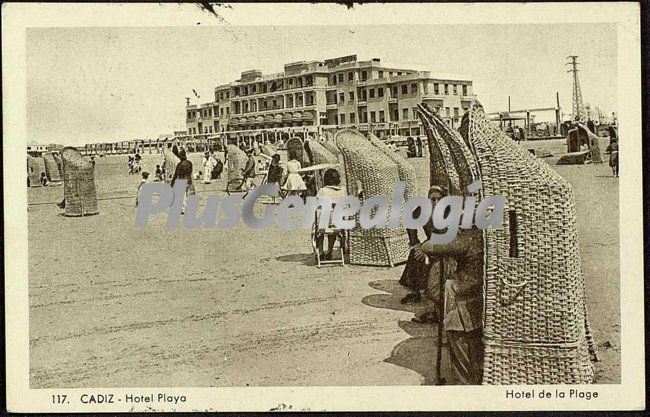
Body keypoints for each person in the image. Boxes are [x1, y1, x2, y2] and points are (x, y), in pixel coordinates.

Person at [417, 225, 484, 385]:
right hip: (480, 297)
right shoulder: (482, 236)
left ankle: (466, 385)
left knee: (460, 344)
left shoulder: (466, 239)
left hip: (464, 301)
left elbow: (428, 246)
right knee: (475, 347)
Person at [399, 185, 447, 309]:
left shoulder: (447, 212)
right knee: (416, 253)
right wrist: (415, 243)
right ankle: (415, 292)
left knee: (427, 257)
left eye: (439, 199)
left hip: (444, 244)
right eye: (433, 199)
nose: (436, 202)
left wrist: (427, 248)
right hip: (430, 242)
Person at [315, 169, 347, 261]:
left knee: (319, 230)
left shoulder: (323, 191)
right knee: (332, 229)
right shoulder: (342, 191)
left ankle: (320, 252)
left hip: (323, 223)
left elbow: (318, 205)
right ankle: (329, 251)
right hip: (337, 223)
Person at [171, 149, 194, 214]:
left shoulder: (180, 164)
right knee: (188, 195)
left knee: (182, 196)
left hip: (181, 180)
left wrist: (172, 184)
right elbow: (191, 172)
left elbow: (176, 174)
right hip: (189, 180)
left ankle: (183, 209)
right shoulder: (190, 163)